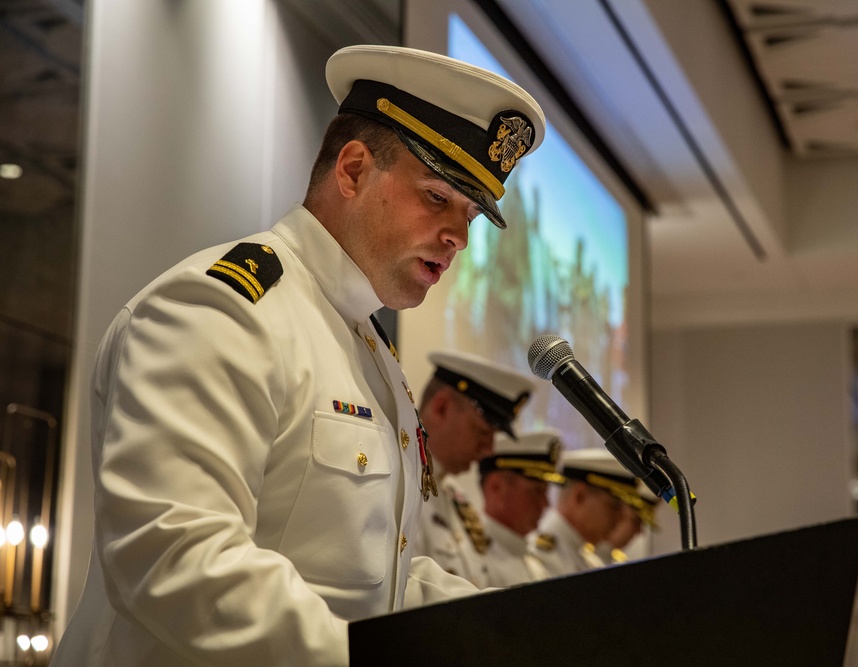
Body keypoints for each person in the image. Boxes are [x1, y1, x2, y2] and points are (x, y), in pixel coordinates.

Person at [51, 43, 546, 667]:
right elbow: (172, 555)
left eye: (471, 214)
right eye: (438, 197)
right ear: (354, 169)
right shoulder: (222, 308)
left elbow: (378, 580)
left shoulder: (370, 350)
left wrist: (521, 635)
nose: (460, 237)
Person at [411, 350, 536, 588]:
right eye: (482, 432)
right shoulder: (401, 481)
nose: (489, 449)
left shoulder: (456, 500)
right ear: (442, 407)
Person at [528, 448, 636, 577]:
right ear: (580, 496)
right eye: (613, 507)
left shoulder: (585, 554)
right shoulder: (545, 554)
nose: (620, 518)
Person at [479, 429, 563, 587]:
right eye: (537, 491)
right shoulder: (476, 556)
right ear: (496, 488)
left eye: (546, 492)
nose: (546, 504)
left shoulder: (531, 555)